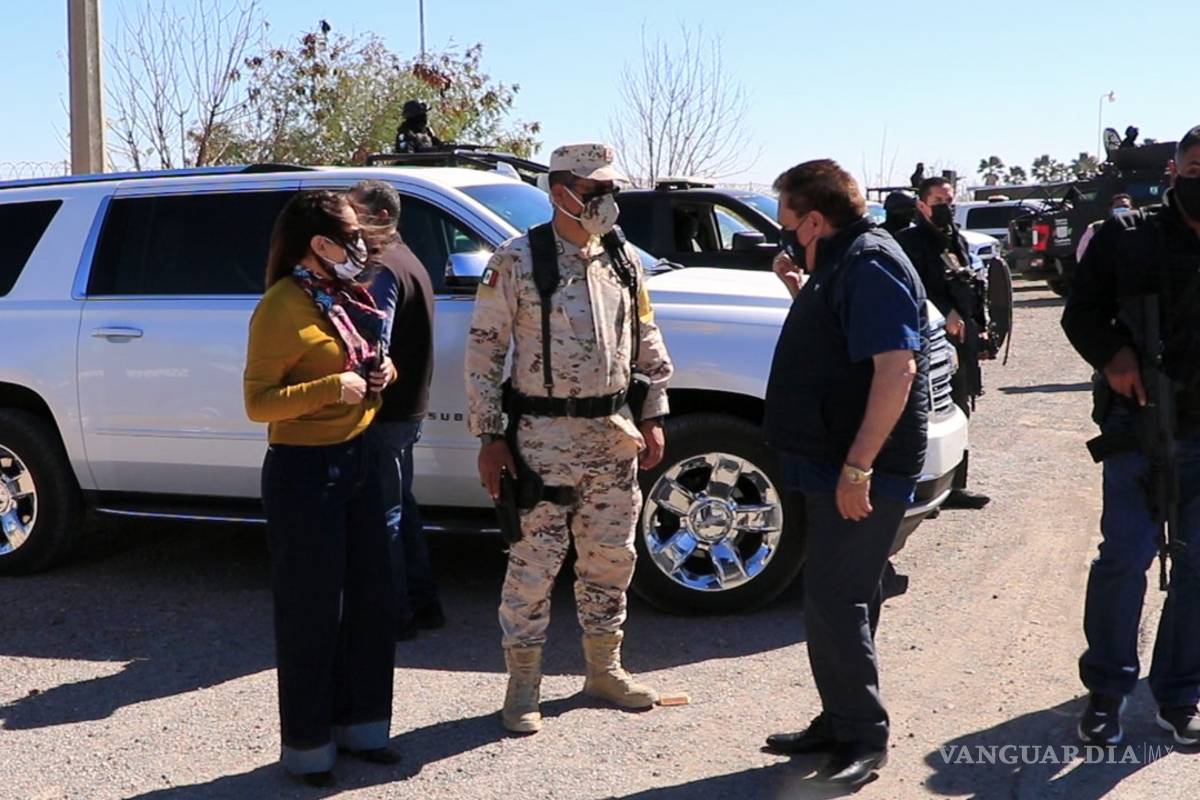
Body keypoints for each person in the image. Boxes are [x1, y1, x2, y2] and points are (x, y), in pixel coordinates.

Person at [465, 142, 674, 734]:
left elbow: (645, 333)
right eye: (594, 190)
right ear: (561, 193)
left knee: (612, 558)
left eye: (611, 189)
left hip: (613, 436)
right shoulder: (517, 260)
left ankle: (604, 670)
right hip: (542, 441)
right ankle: (523, 686)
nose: (607, 200)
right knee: (533, 565)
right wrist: (490, 436)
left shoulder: (622, 257)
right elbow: (484, 353)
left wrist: (654, 411)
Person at [762, 160, 929, 787]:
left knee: (839, 598)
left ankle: (863, 735)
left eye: (787, 222)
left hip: (862, 466)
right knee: (837, 596)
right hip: (830, 459)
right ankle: (839, 719)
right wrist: (797, 286)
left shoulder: (869, 263)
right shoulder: (841, 261)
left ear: (814, 219)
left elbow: (896, 369)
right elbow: (838, 339)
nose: (784, 234)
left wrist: (859, 468)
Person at [244, 190, 401, 786]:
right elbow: (258, 403)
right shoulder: (280, 306)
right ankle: (309, 747)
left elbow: (368, 359)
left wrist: (384, 372)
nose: (361, 246)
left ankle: (364, 728)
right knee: (310, 611)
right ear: (319, 244)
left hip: (361, 458)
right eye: (351, 236)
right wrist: (331, 388)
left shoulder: (347, 294)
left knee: (373, 599)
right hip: (304, 471)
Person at [1061, 126, 1200, 748]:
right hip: (1140, 422)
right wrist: (1114, 355)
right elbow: (1081, 310)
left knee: (1198, 564)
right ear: (1174, 172)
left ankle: (1180, 693)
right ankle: (1107, 691)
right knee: (1125, 557)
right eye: (1194, 171)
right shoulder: (1128, 235)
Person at [350, 180, 444, 641]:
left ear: (381, 217)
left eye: (355, 214)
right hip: (406, 410)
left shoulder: (382, 268)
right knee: (401, 508)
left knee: (382, 514)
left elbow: (375, 340)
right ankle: (423, 604)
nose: (348, 225)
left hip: (385, 412)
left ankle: (395, 614)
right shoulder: (407, 258)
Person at [897, 177, 991, 509]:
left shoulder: (956, 240)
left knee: (959, 410)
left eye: (949, 201)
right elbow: (911, 288)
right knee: (926, 416)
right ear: (921, 205)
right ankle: (919, 487)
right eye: (938, 201)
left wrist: (980, 326)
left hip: (961, 342)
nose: (945, 208)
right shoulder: (910, 243)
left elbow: (970, 283)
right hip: (929, 340)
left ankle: (954, 486)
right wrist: (943, 310)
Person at [1076, 194, 1135, 263]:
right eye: (1118, 207)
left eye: (1125, 206)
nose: (1122, 209)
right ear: (1111, 210)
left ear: (1132, 209)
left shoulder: (1140, 227)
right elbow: (1082, 253)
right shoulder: (1096, 227)